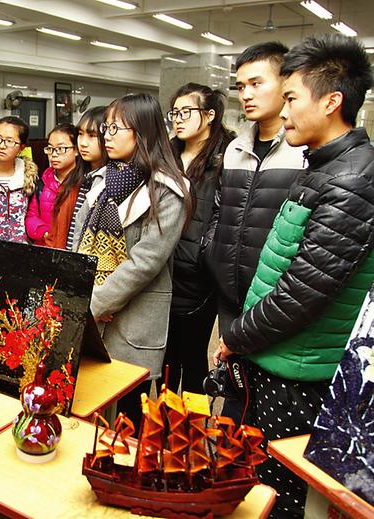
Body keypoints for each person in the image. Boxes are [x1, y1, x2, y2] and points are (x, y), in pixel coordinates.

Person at [216, 34, 374, 519]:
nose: (283, 113)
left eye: (290, 98)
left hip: (299, 371)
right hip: (280, 358)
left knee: (281, 497)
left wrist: (236, 337)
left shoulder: (351, 181)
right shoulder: (327, 165)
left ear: (331, 102)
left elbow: (300, 295)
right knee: (258, 483)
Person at [203, 42, 306, 423]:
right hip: (230, 295)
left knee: (269, 405)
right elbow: (219, 209)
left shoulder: (302, 152)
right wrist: (212, 252)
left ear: (285, 84)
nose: (246, 94)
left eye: (256, 83)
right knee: (233, 395)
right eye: (240, 86)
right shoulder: (235, 148)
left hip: (275, 301)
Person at [74, 94, 191, 427]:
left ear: (142, 132)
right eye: (106, 128)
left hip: (131, 319)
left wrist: (95, 302)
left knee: (126, 420)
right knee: (88, 411)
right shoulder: (102, 181)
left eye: (116, 128)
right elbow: (80, 244)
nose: (106, 136)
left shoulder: (167, 189)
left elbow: (145, 262)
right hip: (91, 313)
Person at [163, 83, 233, 394]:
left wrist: (206, 258)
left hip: (200, 277)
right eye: (174, 113)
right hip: (165, 268)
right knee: (167, 359)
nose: (178, 119)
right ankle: (164, 420)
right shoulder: (168, 154)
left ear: (210, 115)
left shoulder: (226, 158)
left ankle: (193, 423)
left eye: (186, 112)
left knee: (193, 359)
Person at [25, 123, 81, 248]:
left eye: (60, 149)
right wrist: (44, 233)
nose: (54, 154)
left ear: (76, 150)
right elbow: (31, 215)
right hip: (45, 248)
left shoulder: (83, 184)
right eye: (50, 149)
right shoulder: (42, 182)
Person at [65, 106, 107, 251]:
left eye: (92, 135)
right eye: (80, 134)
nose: (82, 142)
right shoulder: (76, 176)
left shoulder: (111, 182)